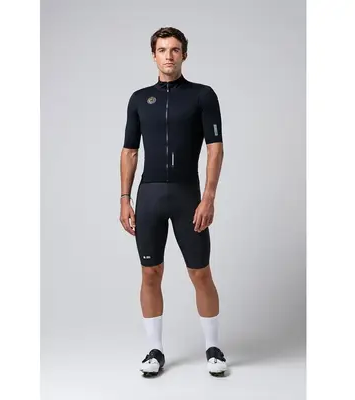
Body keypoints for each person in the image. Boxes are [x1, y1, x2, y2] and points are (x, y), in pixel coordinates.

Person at [119, 27, 227, 377]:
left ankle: (213, 347)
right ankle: (155, 350)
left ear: (184, 55)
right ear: (154, 55)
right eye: (163, 50)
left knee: (200, 272)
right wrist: (125, 199)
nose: (169, 55)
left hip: (187, 195)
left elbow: (215, 149)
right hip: (149, 196)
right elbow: (129, 151)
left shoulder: (202, 96)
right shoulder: (139, 99)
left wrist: (208, 196)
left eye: (175, 49)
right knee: (150, 273)